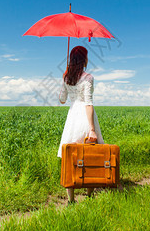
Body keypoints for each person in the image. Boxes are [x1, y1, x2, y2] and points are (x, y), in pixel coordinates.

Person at [57, 45, 104, 203]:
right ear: (84, 59)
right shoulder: (88, 77)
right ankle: (89, 196)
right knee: (89, 155)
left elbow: (62, 100)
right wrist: (92, 129)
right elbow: (88, 103)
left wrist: (65, 79)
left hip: (72, 117)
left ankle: (71, 200)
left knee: (70, 156)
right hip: (85, 116)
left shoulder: (66, 77)